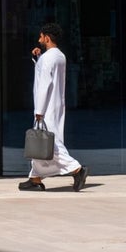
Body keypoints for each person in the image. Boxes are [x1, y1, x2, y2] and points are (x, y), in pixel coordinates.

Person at [21, 22, 86, 192]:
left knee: (50, 142)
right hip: (56, 103)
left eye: (41, 37)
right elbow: (47, 74)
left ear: (47, 38)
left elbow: (44, 84)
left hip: (46, 106)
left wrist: (39, 111)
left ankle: (77, 169)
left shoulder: (48, 58)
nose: (39, 39)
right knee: (41, 142)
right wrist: (38, 59)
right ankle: (35, 178)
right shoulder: (59, 56)